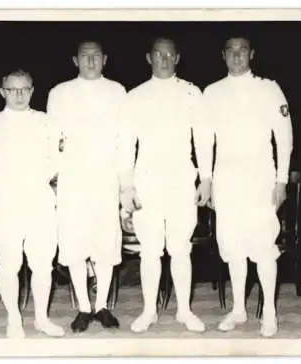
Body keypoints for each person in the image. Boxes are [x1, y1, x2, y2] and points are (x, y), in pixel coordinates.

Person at [117, 38, 213, 333]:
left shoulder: (191, 93)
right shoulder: (135, 96)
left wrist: (206, 178)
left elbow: (204, 138)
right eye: (158, 54)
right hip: (147, 183)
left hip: (181, 181)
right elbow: (125, 145)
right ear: (149, 58)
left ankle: (184, 310)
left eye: (169, 54)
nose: (164, 59)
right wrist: (126, 186)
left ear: (177, 58)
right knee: (150, 251)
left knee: (180, 249)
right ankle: (149, 311)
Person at [0, 69, 64, 338]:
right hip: (6, 204)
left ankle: (42, 319)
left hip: (40, 203)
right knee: (9, 265)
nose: (19, 95)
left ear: (32, 90)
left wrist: (48, 179)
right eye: (12, 90)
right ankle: (14, 321)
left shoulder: (48, 124)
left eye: (24, 89)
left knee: (43, 265)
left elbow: (60, 158)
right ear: (2, 92)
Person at [203, 37, 293, 337]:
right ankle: (239, 309)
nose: (237, 56)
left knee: (263, 246)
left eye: (243, 51)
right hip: (227, 179)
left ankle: (269, 313)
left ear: (252, 54)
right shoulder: (212, 92)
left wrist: (281, 180)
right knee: (232, 246)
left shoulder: (269, 89)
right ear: (223, 55)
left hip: (259, 179)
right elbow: (205, 141)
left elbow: (284, 138)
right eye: (231, 51)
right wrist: (208, 180)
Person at [47, 41, 126, 333]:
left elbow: (124, 139)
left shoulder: (118, 91)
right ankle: (82, 307)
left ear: (105, 59)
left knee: (105, 245)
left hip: (106, 179)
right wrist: (55, 178)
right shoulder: (59, 93)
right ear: (75, 60)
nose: (91, 61)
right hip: (73, 180)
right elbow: (53, 139)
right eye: (84, 56)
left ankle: (102, 305)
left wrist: (123, 182)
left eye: (96, 56)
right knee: (75, 244)